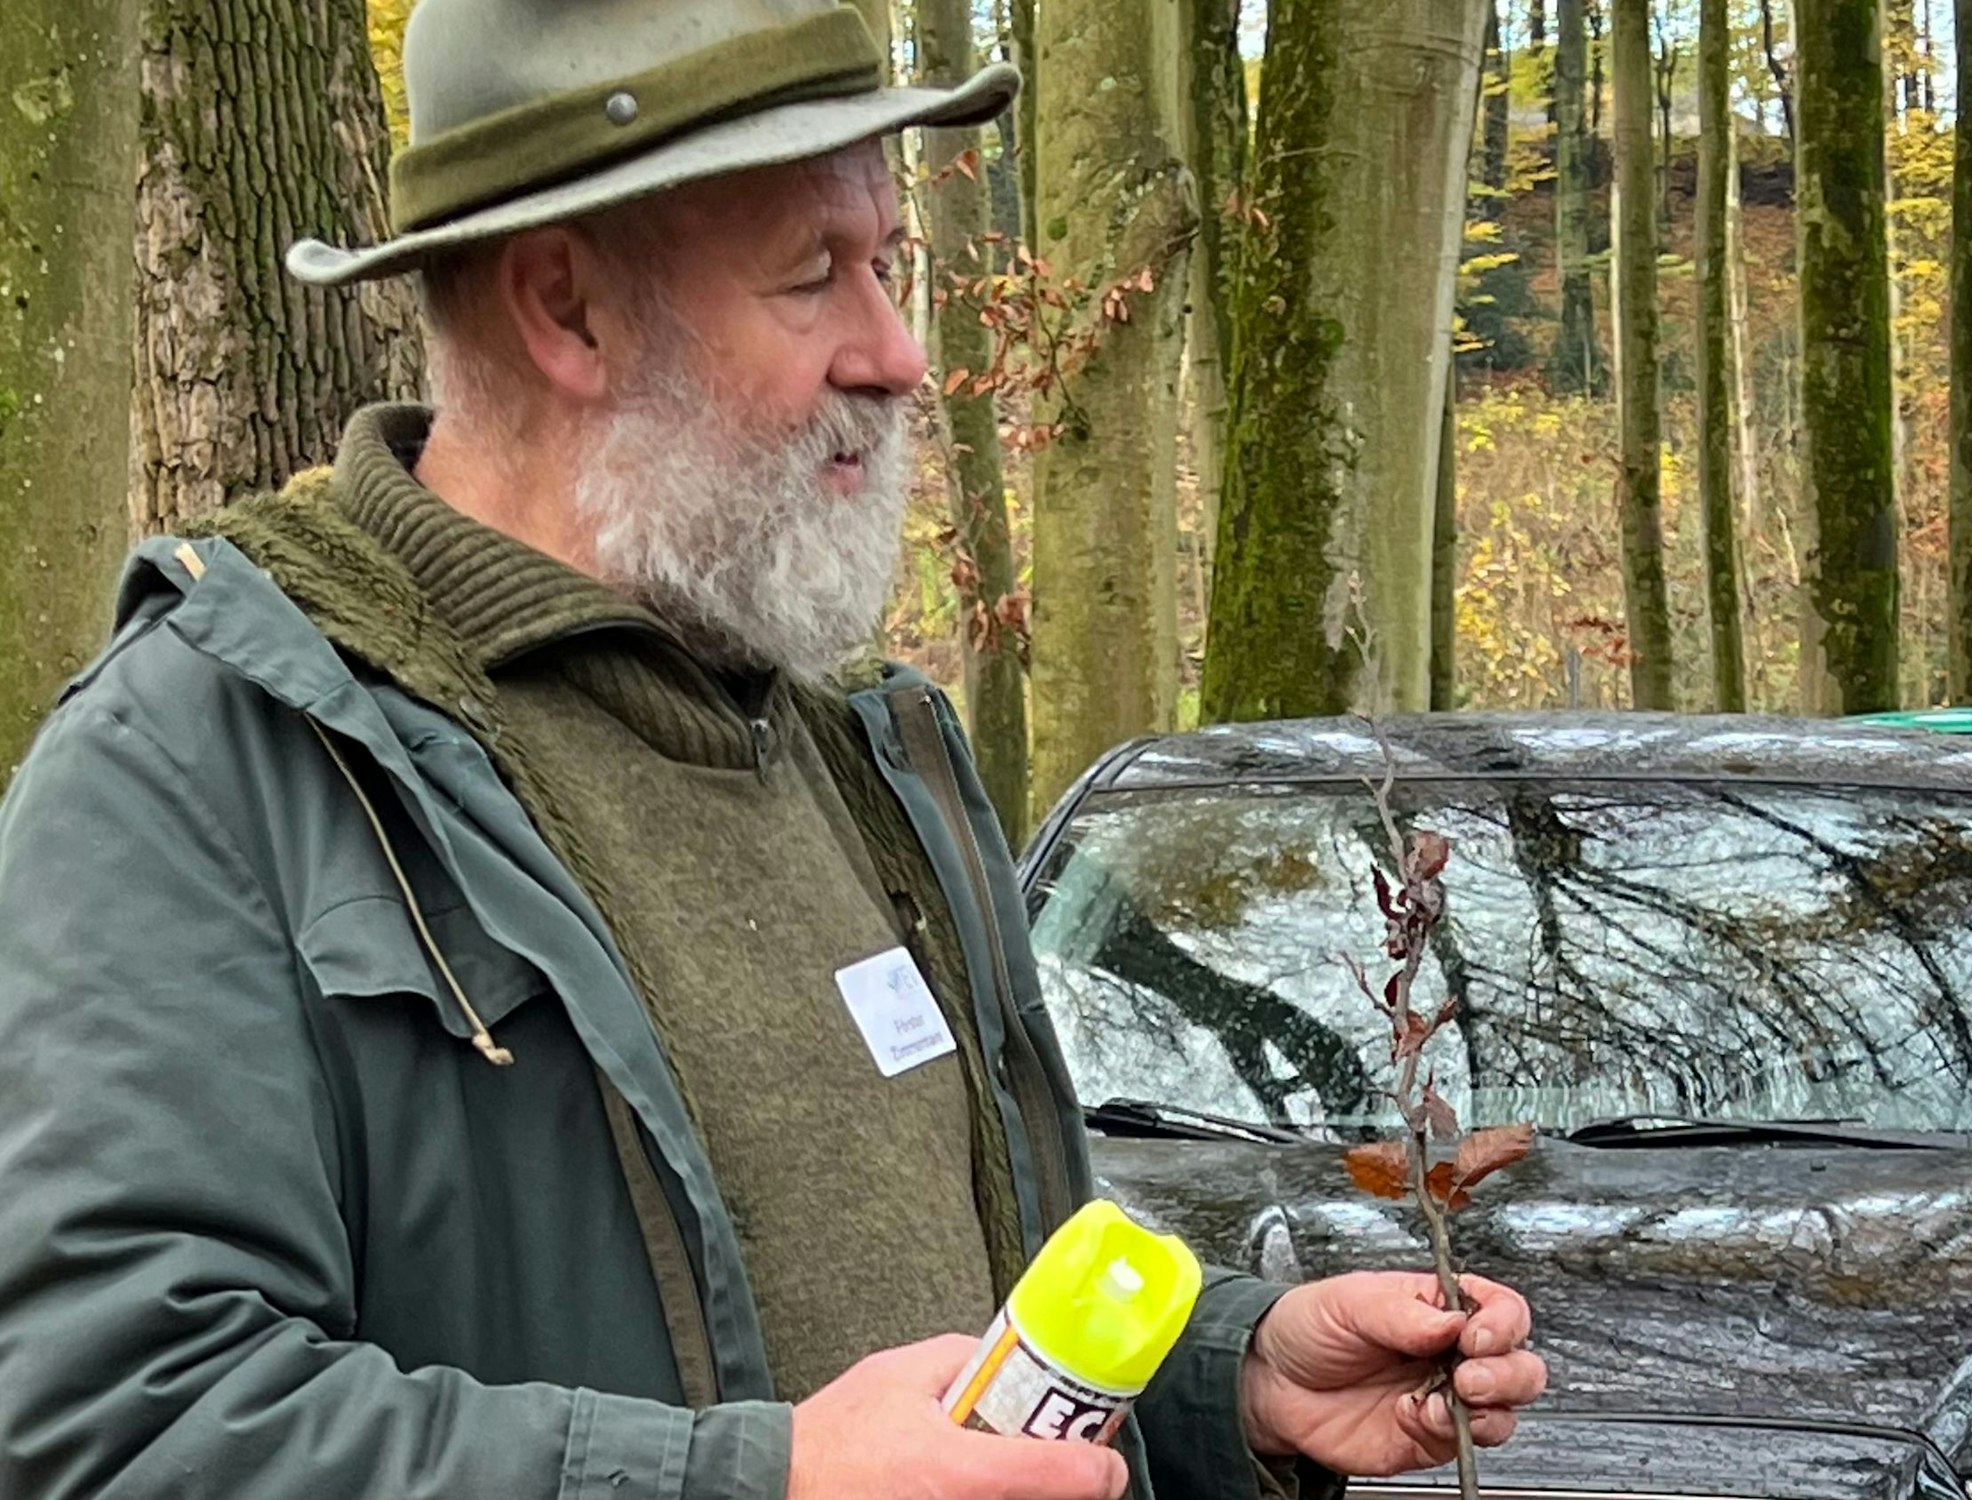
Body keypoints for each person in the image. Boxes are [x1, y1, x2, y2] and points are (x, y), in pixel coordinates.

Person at [0, 1, 1546, 1496]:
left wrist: (1228, 1386)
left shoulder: (868, 752)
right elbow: (113, 1427)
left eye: (891, 266)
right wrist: (756, 1483)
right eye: (815, 277)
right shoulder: (203, 769)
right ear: (568, 310)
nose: (898, 352)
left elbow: (967, 1317)